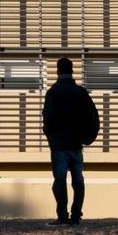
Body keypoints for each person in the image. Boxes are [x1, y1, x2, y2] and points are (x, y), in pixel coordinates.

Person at [42, 57, 100, 225]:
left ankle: (62, 216)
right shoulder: (80, 92)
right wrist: (87, 138)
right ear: (72, 71)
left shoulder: (52, 93)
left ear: (58, 71)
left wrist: (51, 138)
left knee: (59, 181)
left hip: (59, 146)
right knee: (78, 181)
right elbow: (92, 116)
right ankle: (76, 215)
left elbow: (48, 119)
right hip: (76, 144)